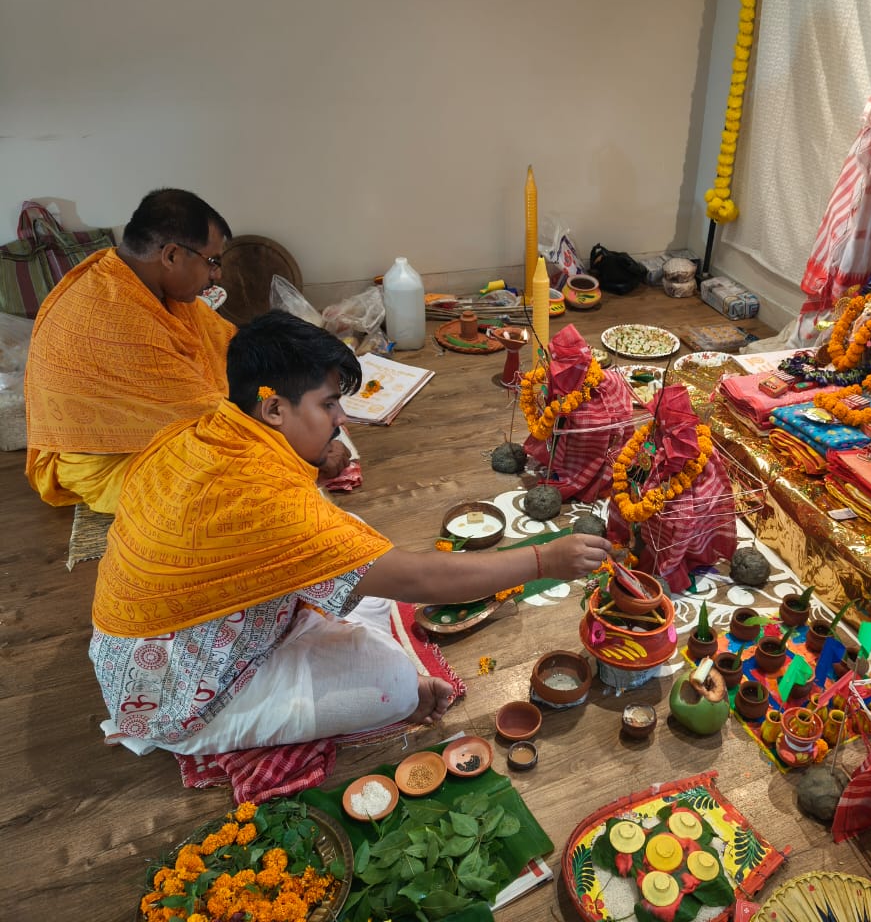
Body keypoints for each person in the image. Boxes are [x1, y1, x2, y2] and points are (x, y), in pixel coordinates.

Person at [89, 310, 610, 756]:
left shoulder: (203, 429)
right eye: (327, 405)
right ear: (273, 408)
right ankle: (223, 721)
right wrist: (547, 561)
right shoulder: (263, 497)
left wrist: (316, 456)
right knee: (397, 686)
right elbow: (424, 581)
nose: (342, 419)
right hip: (172, 690)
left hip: (176, 632)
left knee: (357, 545)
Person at [25, 188, 236, 513]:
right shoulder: (116, 316)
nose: (217, 275)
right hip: (105, 462)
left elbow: (228, 344)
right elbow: (210, 418)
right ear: (171, 256)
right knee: (238, 474)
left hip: (167, 428)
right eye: (213, 262)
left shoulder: (144, 284)